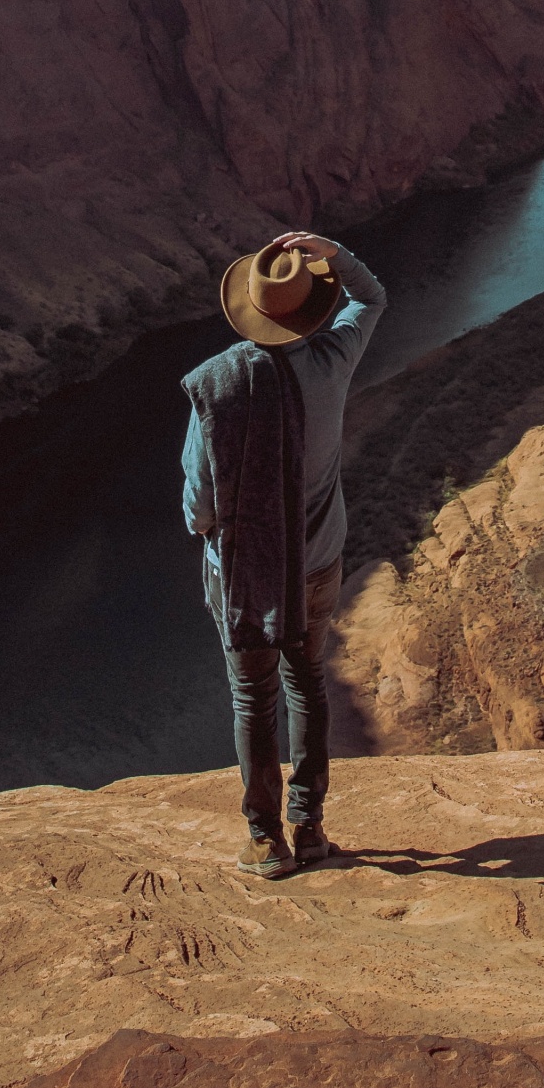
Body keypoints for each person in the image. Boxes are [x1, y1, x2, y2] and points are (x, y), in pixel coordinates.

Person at [181, 228, 386, 881]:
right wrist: (334, 254)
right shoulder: (333, 362)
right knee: (307, 684)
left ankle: (266, 842)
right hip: (319, 568)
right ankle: (312, 826)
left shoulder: (217, 388)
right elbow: (373, 297)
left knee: (254, 700)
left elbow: (200, 508)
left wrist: (217, 532)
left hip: (242, 576)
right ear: (308, 310)